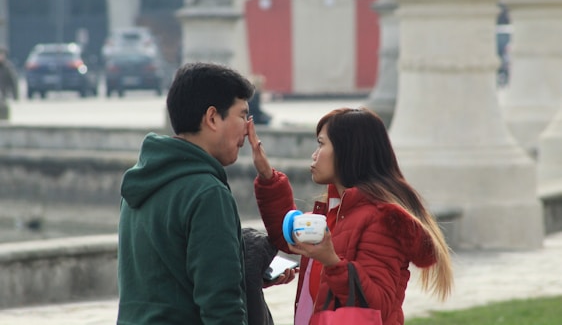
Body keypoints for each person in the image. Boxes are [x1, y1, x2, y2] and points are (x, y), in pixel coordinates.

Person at [248, 107, 454, 325]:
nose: (314, 154)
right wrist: (268, 177)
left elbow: (378, 306)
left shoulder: (380, 219)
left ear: (347, 150)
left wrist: (332, 262)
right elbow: (290, 236)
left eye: (321, 143)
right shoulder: (335, 211)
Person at [117, 62, 255, 324]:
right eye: (242, 115)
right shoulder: (207, 193)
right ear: (213, 117)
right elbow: (221, 305)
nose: (248, 130)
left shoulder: (139, 182)